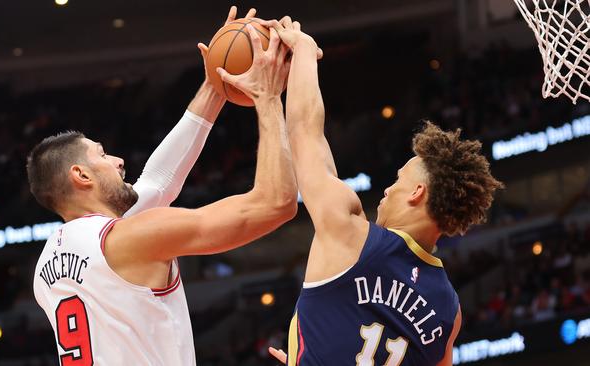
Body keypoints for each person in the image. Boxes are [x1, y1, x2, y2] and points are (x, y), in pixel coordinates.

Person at [26, 11, 297, 365]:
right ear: (82, 176)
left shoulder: (47, 264)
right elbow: (276, 203)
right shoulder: (131, 239)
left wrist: (216, 84)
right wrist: (268, 97)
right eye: (102, 155)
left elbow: (157, 183)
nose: (119, 161)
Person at [263, 18, 503, 366]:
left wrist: (302, 50)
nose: (387, 190)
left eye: (398, 179)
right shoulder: (449, 310)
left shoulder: (351, 235)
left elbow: (304, 133)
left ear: (417, 192)